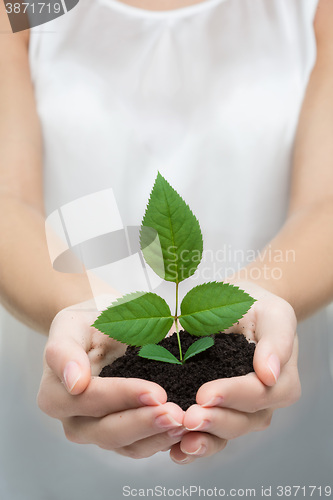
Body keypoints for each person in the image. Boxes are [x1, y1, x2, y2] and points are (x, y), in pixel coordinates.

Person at [0, 0, 332, 498]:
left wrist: (260, 296)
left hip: (279, 404)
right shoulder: (24, 8)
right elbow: (7, 197)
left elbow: (325, 201)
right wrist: (85, 312)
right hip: (58, 382)